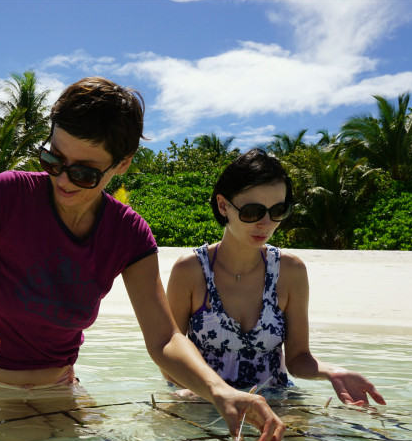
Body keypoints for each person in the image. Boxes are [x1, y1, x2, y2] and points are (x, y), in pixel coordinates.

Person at [0, 77, 285, 441]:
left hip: (58, 388)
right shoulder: (6, 196)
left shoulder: (129, 234)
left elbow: (165, 339)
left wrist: (220, 390)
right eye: (53, 158)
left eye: (84, 172)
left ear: (122, 165)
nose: (63, 179)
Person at [165, 148, 386, 406]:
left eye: (278, 210)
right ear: (223, 205)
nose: (266, 223)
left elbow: (298, 358)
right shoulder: (190, 271)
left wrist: (331, 372)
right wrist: (194, 394)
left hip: (276, 400)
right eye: (252, 211)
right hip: (204, 401)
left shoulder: (290, 271)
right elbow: (168, 352)